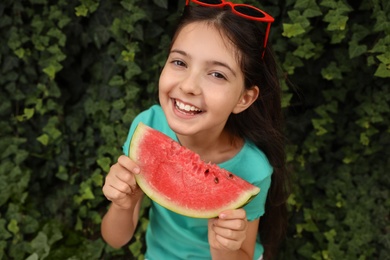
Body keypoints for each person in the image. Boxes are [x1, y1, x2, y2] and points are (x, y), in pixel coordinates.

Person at [101, 0, 290, 259]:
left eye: (217, 75)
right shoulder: (148, 126)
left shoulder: (254, 169)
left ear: (243, 99)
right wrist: (124, 204)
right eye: (180, 62)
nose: (189, 86)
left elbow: (244, 254)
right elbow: (115, 239)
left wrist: (223, 247)